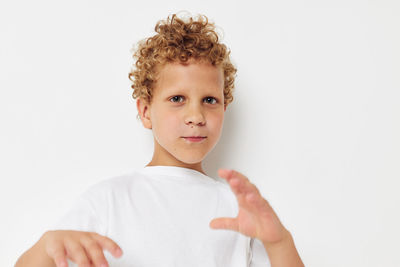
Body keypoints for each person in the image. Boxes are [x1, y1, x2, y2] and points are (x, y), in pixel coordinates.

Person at [15, 12, 304, 267]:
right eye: (177, 98)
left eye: (210, 100)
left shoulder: (238, 209)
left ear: (224, 109)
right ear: (145, 111)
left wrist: (280, 243)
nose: (196, 115)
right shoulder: (109, 200)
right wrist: (45, 247)